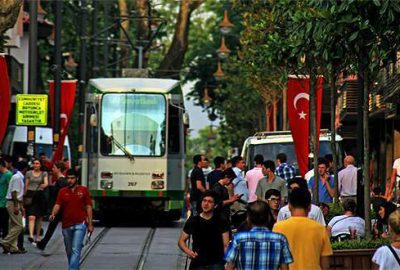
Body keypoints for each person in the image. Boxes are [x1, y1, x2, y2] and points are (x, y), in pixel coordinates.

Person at [273, 188, 333, 270]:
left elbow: (275, 260)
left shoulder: (278, 227)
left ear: (289, 206)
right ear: (309, 207)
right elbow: (325, 264)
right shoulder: (320, 229)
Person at [225, 201, 293, 270]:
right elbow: (285, 268)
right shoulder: (280, 239)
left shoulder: (238, 239)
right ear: (269, 218)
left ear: (248, 219)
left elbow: (229, 267)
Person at [49, 169, 94, 270]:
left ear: (77, 178)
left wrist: (90, 224)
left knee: (75, 249)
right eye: (68, 178)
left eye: (72, 178)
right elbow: (57, 204)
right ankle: (74, 267)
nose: (70, 180)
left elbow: (88, 207)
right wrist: (53, 214)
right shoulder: (62, 191)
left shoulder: (83, 190)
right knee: (69, 250)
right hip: (66, 225)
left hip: (80, 224)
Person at [178, 191, 230, 270]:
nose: (206, 204)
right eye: (204, 200)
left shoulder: (221, 220)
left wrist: (227, 262)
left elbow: (226, 244)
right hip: (198, 263)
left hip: (216, 263)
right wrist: (189, 252)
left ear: (215, 205)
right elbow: (181, 241)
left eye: (209, 202)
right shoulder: (193, 220)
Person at [36, 160, 68, 250]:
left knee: (54, 226)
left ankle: (43, 243)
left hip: (58, 208)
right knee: (52, 226)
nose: (52, 169)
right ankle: (43, 243)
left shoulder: (61, 182)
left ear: (59, 169)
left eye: (54, 168)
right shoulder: (60, 181)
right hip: (58, 207)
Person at [0, 161, 28, 254]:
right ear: (25, 169)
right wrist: (16, 206)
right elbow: (14, 192)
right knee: (19, 225)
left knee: (13, 225)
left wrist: (20, 205)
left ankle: (13, 247)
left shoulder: (17, 177)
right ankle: (5, 241)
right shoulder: (17, 177)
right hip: (12, 202)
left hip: (13, 202)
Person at [24, 158, 49, 244]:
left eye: (37, 163)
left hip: (39, 196)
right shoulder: (28, 173)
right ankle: (31, 235)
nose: (35, 165)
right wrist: (24, 195)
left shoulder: (44, 173)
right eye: (34, 163)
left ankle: (38, 236)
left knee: (39, 217)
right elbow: (26, 185)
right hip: (30, 195)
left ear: (40, 165)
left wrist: (43, 185)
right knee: (31, 216)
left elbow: (46, 183)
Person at [0, 159, 12, 238]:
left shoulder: (8, 174)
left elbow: (10, 188)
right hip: (1, 200)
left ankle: (5, 238)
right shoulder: (3, 174)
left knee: (4, 222)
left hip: (5, 201)